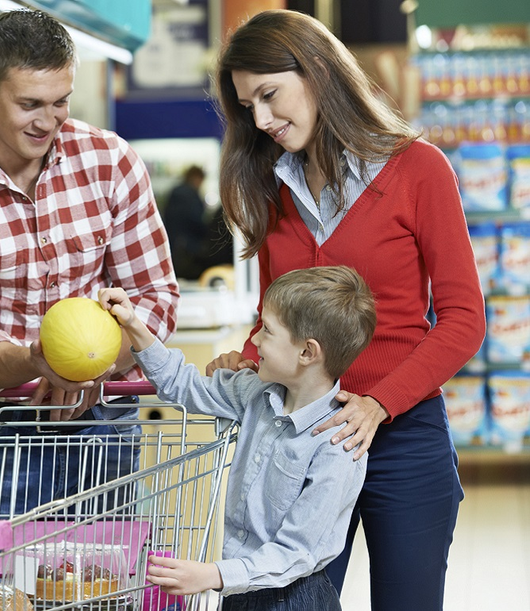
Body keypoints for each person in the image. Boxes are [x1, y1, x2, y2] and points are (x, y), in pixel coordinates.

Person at [205, 10, 486, 611]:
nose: (260, 119)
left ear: (317, 72)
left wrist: (381, 402)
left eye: (269, 94)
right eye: (247, 105)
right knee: (283, 602)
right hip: (297, 442)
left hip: (401, 440)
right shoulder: (270, 185)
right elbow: (275, 316)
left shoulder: (418, 170)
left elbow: (464, 318)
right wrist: (252, 359)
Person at [0, 9, 179, 522]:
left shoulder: (109, 160)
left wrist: (94, 364)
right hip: (4, 430)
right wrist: (38, 362)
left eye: (60, 102)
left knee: (102, 588)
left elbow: (155, 296)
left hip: (105, 425)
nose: (48, 121)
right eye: (29, 104)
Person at [99, 265, 377, 610]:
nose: (255, 339)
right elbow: (181, 385)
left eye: (268, 331)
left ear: (307, 353)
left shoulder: (338, 445)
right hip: (238, 593)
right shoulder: (254, 393)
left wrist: (211, 575)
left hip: (294, 599)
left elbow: (296, 553)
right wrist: (133, 325)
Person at [163, 165, 208, 280]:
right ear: (196, 177)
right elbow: (196, 220)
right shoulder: (190, 195)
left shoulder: (175, 192)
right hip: (189, 247)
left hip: (175, 245)